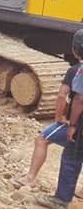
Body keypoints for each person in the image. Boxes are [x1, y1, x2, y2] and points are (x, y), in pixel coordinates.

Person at [16, 29, 83, 189]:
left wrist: (60, 118)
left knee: (42, 139)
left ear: (74, 50)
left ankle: (30, 178)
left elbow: (62, 96)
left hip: (77, 121)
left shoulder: (75, 71)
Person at [37, 30, 83, 209]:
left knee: (71, 157)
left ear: (75, 50)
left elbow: (79, 99)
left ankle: (61, 199)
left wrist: (72, 124)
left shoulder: (78, 71)